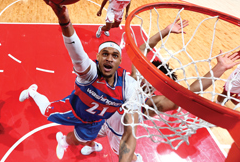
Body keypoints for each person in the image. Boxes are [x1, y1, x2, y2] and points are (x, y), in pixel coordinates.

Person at [82, 19, 240, 160]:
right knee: (91, 130)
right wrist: (166, 30)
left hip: (119, 134)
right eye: (149, 77)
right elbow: (143, 48)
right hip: (104, 118)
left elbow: (189, 93)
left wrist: (219, 68)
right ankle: (90, 144)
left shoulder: (149, 104)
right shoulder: (134, 78)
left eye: (153, 85)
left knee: (126, 157)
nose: (148, 83)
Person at [19, 0, 140, 161]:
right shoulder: (90, 72)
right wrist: (64, 21)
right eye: (105, 54)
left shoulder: (127, 86)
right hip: (73, 110)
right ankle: (32, 92)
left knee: (85, 137)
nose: (109, 59)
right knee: (46, 111)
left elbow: (132, 126)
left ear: (119, 61)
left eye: (114, 56)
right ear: (98, 56)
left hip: (96, 120)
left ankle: (87, 144)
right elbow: (76, 51)